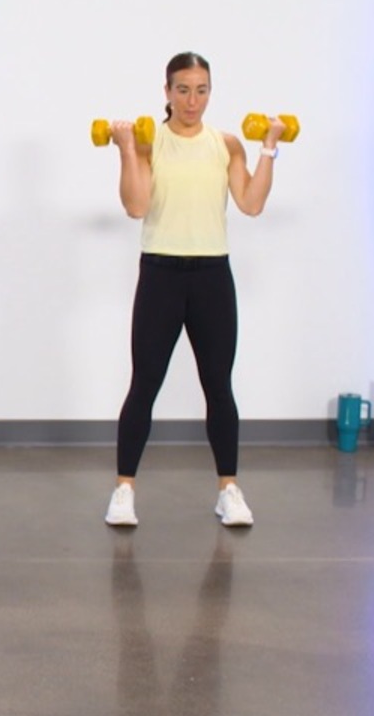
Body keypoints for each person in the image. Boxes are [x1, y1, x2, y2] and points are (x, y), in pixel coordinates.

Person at [102, 51, 284, 530]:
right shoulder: (149, 141)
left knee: (219, 387)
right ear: (166, 92)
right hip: (160, 275)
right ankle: (124, 490)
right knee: (144, 385)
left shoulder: (226, 144)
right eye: (182, 89)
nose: (192, 100)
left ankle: (229, 490)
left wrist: (268, 147)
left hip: (211, 279)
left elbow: (251, 203)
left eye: (201, 90)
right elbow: (136, 205)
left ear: (210, 92)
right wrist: (124, 148)